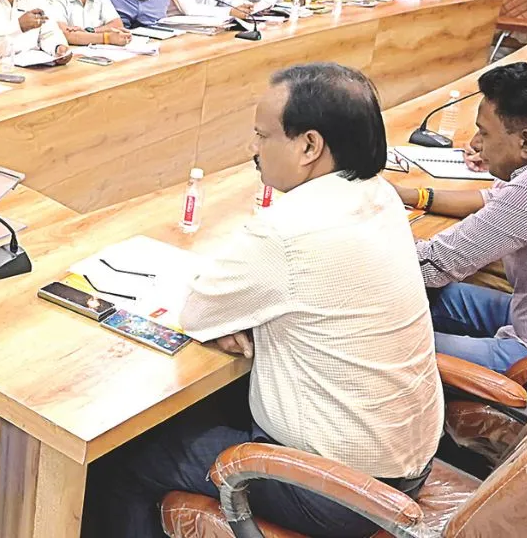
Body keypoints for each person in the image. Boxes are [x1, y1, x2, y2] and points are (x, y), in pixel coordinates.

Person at [84, 63, 442, 538]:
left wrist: (239, 315)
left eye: (262, 135)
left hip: (337, 491)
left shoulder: (290, 230)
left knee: (121, 458)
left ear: (309, 146)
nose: (253, 150)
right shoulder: (378, 195)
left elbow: (196, 310)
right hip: (405, 462)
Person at [396, 63, 527, 371]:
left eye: (484, 132)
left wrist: (366, 234)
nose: (475, 144)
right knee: (429, 297)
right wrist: (411, 197)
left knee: (384, 341)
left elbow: (433, 266)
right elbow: (498, 200)